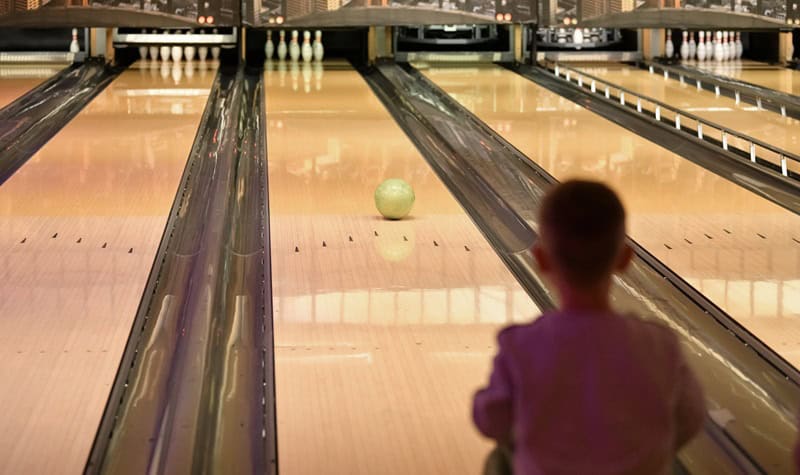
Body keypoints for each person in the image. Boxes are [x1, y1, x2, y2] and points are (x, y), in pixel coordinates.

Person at [473, 180, 706, 475]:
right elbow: (691, 417)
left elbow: (490, 419)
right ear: (624, 259)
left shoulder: (521, 346)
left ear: (541, 260)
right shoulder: (660, 344)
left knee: (499, 460)